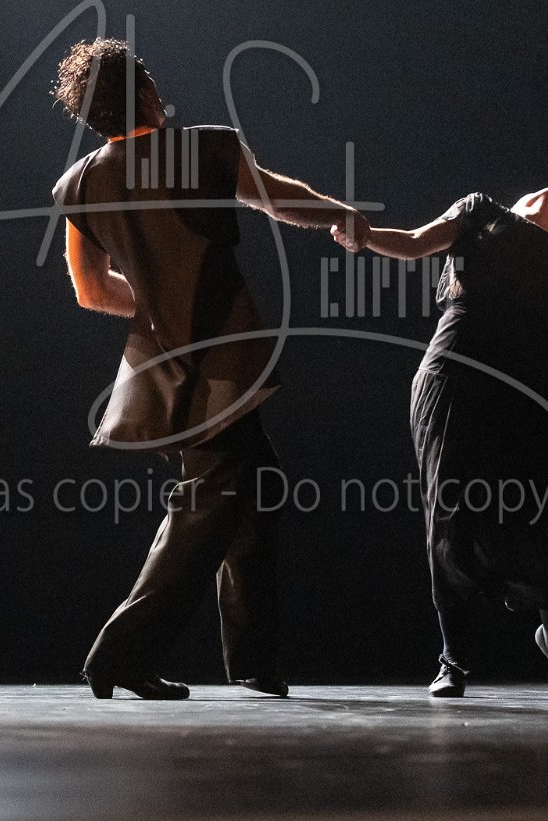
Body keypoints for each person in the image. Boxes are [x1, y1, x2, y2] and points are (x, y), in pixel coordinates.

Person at [50, 37, 369, 699]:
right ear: (143, 91)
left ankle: (251, 658)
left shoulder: (77, 184)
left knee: (258, 485)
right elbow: (277, 198)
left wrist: (157, 304)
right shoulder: (206, 148)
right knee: (205, 503)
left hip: (162, 369)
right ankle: (119, 654)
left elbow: (90, 290)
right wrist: (338, 212)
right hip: (222, 359)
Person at [333, 168, 548, 698]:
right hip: (454, 374)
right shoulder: (480, 212)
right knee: (451, 515)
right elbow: (414, 242)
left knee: (545, 510)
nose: (546, 193)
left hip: (521, 390)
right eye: (530, 197)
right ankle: (453, 660)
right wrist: (365, 236)